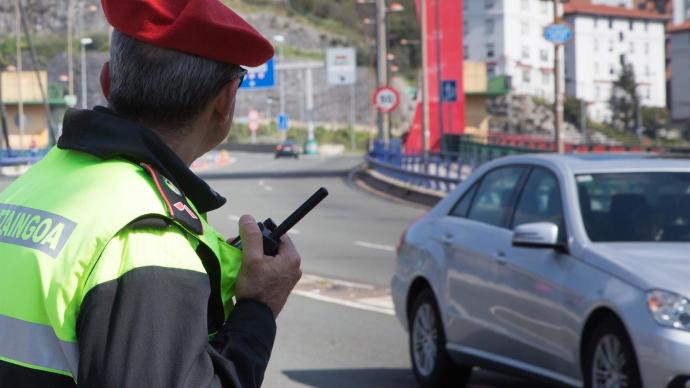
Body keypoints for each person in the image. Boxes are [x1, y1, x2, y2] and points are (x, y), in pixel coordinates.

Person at [0, 0, 302, 387]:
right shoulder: (147, 233)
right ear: (225, 100)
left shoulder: (34, 183)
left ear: (107, 81)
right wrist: (257, 310)